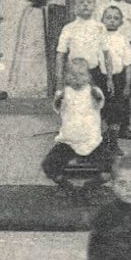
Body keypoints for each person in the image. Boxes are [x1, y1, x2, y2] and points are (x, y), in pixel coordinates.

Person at [42, 58, 108, 193]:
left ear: (89, 77)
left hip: (92, 140)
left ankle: (90, 187)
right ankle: (67, 186)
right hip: (69, 141)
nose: (77, 79)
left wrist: (95, 95)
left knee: (111, 168)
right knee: (48, 165)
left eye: (82, 75)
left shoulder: (93, 91)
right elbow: (57, 107)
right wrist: (60, 97)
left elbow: (99, 103)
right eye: (72, 75)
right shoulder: (64, 93)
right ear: (66, 76)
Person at [56, 0, 108, 96]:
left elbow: (106, 54)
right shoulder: (68, 28)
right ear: (74, 7)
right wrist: (59, 79)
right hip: (74, 73)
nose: (85, 4)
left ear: (94, 6)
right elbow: (60, 54)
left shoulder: (100, 27)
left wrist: (108, 76)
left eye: (89, 2)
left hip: (95, 72)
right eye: (81, 2)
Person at [101, 5, 131, 141]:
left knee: (122, 103)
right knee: (107, 104)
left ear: (121, 22)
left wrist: (127, 84)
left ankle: (124, 128)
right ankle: (108, 130)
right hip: (102, 76)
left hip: (119, 76)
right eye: (108, 17)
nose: (112, 21)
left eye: (116, 18)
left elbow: (128, 64)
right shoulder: (99, 38)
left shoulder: (123, 39)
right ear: (102, 20)